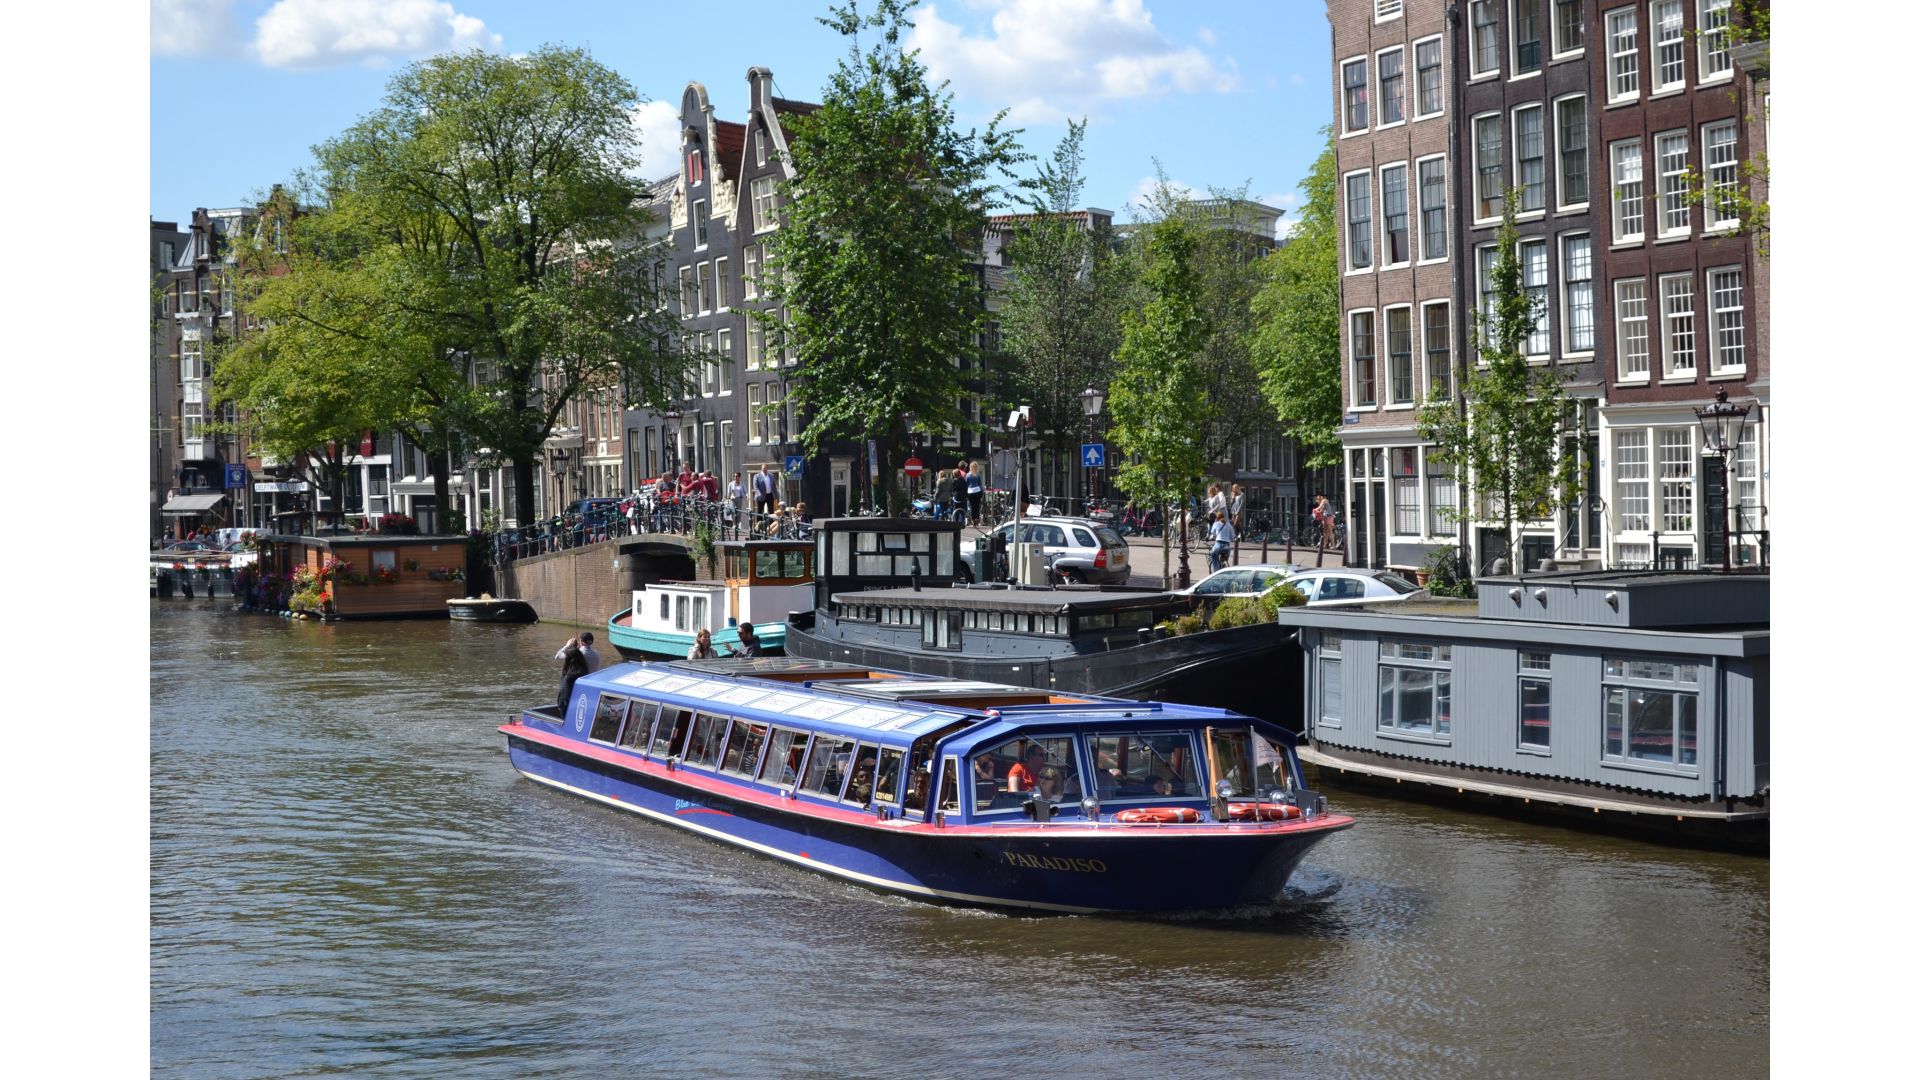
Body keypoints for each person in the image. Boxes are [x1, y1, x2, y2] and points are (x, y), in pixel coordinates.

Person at [556, 641, 589, 711]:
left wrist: (567, 646)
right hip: (577, 704)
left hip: (566, 705)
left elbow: (565, 694)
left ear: (569, 660)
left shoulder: (569, 675)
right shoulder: (583, 671)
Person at [1207, 510, 1236, 575]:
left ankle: (1216, 572)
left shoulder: (1216, 523)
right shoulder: (1229, 525)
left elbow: (1212, 533)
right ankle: (1225, 565)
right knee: (1225, 558)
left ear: (1217, 518)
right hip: (1227, 546)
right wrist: (1230, 538)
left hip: (1218, 544)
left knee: (1214, 555)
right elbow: (1232, 537)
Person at [965, 461, 984, 526]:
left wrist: (966, 492)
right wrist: (982, 491)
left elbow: (967, 484)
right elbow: (980, 484)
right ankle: (977, 519)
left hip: (970, 491)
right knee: (977, 506)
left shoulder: (968, 475)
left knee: (972, 506)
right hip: (977, 491)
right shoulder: (978, 474)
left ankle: (973, 520)